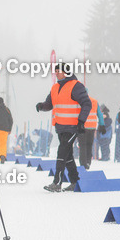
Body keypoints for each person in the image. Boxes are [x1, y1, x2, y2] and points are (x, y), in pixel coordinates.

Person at [36, 63, 92, 191]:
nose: (56, 74)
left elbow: (86, 104)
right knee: (67, 156)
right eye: (55, 71)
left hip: (72, 127)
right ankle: (75, 182)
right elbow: (49, 104)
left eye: (58, 71)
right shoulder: (55, 87)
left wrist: (81, 121)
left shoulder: (76, 86)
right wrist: (41, 106)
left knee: (61, 152)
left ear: (66, 72)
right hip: (60, 127)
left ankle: (57, 183)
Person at [78, 94, 101, 169]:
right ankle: (88, 162)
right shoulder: (94, 101)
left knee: (82, 146)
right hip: (92, 127)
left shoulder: (79, 101)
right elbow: (100, 114)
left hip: (83, 126)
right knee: (89, 145)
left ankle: (83, 163)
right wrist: (102, 124)